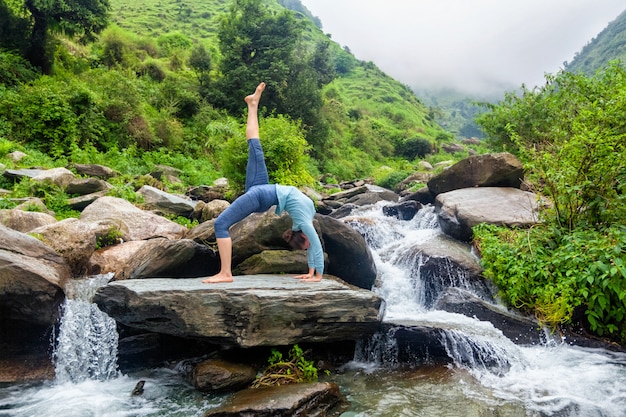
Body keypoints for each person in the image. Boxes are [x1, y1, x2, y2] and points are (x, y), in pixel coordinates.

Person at [202, 82, 324, 284]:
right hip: (260, 193)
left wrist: (312, 273)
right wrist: (317, 275)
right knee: (254, 145)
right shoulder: (303, 222)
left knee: (220, 224)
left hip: (264, 193)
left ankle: (225, 273)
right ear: (303, 237)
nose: (308, 247)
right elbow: (316, 245)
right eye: (305, 247)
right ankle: (253, 104)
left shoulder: (304, 220)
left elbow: (312, 246)